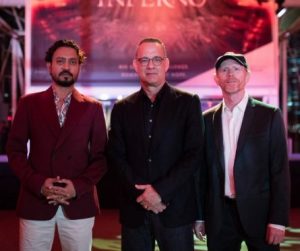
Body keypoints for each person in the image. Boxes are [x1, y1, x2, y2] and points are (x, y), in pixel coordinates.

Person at [6, 39, 107, 251]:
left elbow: (101, 157)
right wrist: (39, 184)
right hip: (36, 201)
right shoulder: (28, 104)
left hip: (78, 203)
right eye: (60, 61)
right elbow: (15, 152)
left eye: (72, 62)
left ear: (79, 67)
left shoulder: (93, 108)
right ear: (49, 66)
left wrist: (76, 188)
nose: (66, 67)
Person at [107, 37, 204, 251]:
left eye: (156, 59)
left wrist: (159, 192)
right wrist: (143, 195)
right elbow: (116, 157)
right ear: (135, 65)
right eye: (144, 60)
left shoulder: (188, 103)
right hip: (135, 210)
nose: (150, 65)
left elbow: (194, 154)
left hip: (175, 210)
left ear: (166, 64)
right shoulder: (122, 108)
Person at [194, 52, 290, 251]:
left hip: (260, 215)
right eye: (224, 70)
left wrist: (278, 220)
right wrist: (200, 216)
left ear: (247, 76)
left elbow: (280, 171)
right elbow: (201, 174)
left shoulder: (269, 115)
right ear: (216, 78)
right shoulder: (206, 120)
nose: (231, 74)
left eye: (237, 69)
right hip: (220, 216)